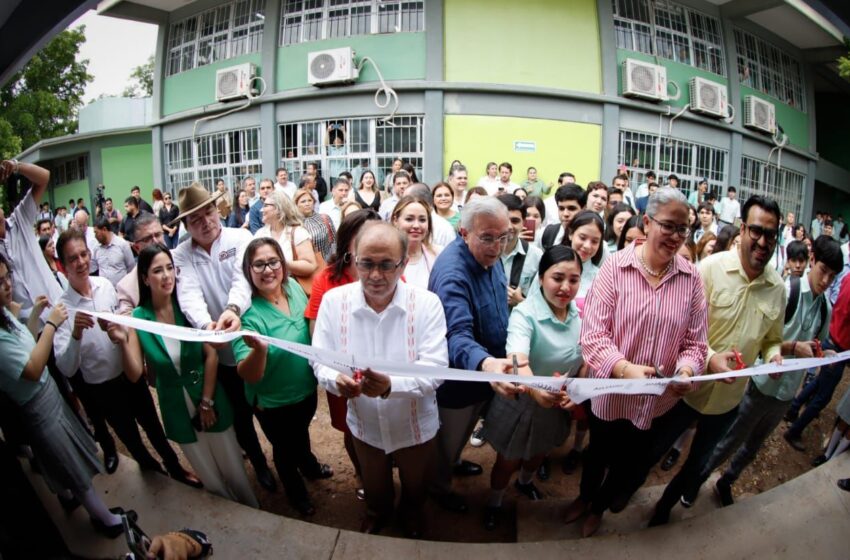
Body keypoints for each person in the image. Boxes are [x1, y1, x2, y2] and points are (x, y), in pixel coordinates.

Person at [566, 187, 707, 537]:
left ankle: (598, 507)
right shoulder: (615, 268)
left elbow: (696, 343)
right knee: (598, 452)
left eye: (682, 229)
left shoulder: (691, 279)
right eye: (668, 226)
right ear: (647, 222)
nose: (675, 237)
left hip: (657, 402)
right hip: (611, 393)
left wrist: (688, 370)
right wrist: (625, 369)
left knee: (627, 460)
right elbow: (593, 336)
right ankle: (584, 498)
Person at [648, 195, 785, 527]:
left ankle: (663, 508)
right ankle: (618, 496)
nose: (763, 241)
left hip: (728, 400)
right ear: (742, 228)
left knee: (696, 465)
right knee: (652, 450)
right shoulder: (708, 269)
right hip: (685, 387)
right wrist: (708, 359)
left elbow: (772, 338)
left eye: (771, 234)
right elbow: (678, 327)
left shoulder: (777, 289)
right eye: (756, 231)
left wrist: (775, 355)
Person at [312, 222, 448, 537]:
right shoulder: (334, 303)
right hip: (364, 424)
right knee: (374, 483)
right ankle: (377, 512)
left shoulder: (426, 304)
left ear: (403, 262)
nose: (375, 275)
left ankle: (412, 516)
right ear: (352, 258)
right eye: (367, 263)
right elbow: (321, 360)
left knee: (416, 485)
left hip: (414, 426)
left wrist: (391, 386)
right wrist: (336, 380)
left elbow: (436, 368)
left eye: (386, 265)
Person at [698, 236, 842, 506]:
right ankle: (695, 481)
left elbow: (816, 344)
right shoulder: (786, 291)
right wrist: (792, 347)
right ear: (812, 260)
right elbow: (760, 340)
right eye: (823, 271)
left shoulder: (825, 308)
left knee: (753, 445)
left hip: (785, 393)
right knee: (730, 439)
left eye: (833, 277)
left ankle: (726, 481)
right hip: (759, 383)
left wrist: (826, 354)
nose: (825, 281)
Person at [0, 254, 136, 538]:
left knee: (65, 462)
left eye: (6, 277)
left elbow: (24, 344)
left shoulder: (4, 316)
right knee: (71, 466)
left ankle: (70, 498)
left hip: (48, 398)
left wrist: (35, 314)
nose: (6, 286)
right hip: (38, 406)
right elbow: (33, 367)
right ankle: (106, 521)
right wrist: (51, 325)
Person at [53, 229, 200, 485]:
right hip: (101, 386)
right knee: (130, 437)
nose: (81, 262)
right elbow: (66, 367)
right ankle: (153, 473)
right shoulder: (63, 309)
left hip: (130, 375)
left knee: (153, 426)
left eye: (83, 254)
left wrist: (122, 334)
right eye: (72, 258)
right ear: (63, 266)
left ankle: (175, 468)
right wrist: (76, 334)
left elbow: (127, 326)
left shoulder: (105, 286)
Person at [119, 245, 258, 507]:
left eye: (170, 268)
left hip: (209, 396)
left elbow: (212, 354)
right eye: (157, 270)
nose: (166, 276)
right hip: (175, 406)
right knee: (207, 471)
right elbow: (135, 372)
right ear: (145, 278)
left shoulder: (187, 305)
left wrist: (207, 402)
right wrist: (121, 342)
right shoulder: (140, 318)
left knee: (232, 463)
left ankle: (252, 507)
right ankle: (228, 516)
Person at [170, 183, 276, 491]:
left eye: (209, 212)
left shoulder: (240, 238)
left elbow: (241, 280)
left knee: (268, 409)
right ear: (186, 226)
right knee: (242, 417)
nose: (205, 222)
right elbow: (187, 293)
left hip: (252, 340)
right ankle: (259, 464)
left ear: (219, 210)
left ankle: (297, 458)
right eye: (195, 219)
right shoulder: (181, 254)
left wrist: (231, 309)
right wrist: (206, 327)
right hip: (219, 350)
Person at [482, 246, 585, 530]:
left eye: (574, 279)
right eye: (557, 277)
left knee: (540, 451)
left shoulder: (580, 313)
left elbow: (585, 360)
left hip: (556, 400)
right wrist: (535, 388)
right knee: (508, 460)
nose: (565, 287)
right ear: (541, 278)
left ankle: (526, 483)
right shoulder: (524, 315)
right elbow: (517, 359)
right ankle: (494, 501)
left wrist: (575, 391)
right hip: (523, 399)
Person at [428, 197, 520, 513]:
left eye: (503, 236)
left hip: (487, 374)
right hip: (460, 383)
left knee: (462, 436)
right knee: (447, 439)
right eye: (488, 238)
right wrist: (487, 363)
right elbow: (456, 335)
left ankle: (453, 462)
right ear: (464, 233)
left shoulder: (493, 255)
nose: (497, 246)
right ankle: (439, 487)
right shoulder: (452, 273)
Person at [234, 238, 332, 516]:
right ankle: (296, 492)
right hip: (273, 402)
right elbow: (248, 373)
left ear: (283, 263)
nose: (268, 270)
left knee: (301, 434)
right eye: (259, 264)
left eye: (273, 261)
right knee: (284, 448)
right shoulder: (247, 314)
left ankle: (310, 466)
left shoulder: (294, 290)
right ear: (248, 270)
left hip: (306, 390)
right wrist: (260, 351)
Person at [305, 209, 381, 503]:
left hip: (381, 368)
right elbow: (316, 332)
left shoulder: (387, 270)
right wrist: (338, 371)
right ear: (347, 240)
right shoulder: (326, 278)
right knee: (352, 428)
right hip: (343, 372)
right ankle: (361, 473)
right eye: (361, 236)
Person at [784, 269, 850, 450]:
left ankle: (794, 407)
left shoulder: (847, 277)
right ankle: (794, 430)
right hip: (840, 345)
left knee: (820, 381)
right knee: (823, 396)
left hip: (834, 338)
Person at [0, 160, 64, 323]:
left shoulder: (20, 218)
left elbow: (44, 177)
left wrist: (15, 166)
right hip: (28, 327)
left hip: (58, 310)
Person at [255, 191, 318, 290]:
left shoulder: (298, 233)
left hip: (291, 291)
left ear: (279, 209)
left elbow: (311, 265)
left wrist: (281, 263)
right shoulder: (259, 234)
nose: (262, 210)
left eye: (266, 205)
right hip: (265, 292)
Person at [497, 194, 542, 307]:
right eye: (504, 220)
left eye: (515, 221)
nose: (509, 227)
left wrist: (520, 301)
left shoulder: (536, 256)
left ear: (524, 223)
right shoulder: (482, 254)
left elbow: (541, 303)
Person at [116, 214, 165, 315]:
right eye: (147, 239)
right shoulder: (126, 288)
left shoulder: (181, 265)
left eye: (158, 235)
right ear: (136, 248)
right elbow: (128, 326)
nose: (155, 242)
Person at [391, 195, 442, 289]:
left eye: (422, 220)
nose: (416, 225)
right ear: (395, 220)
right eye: (409, 219)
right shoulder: (383, 257)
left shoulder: (440, 255)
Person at [563, 210, 605, 314]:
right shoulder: (550, 268)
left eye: (594, 241)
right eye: (582, 238)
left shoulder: (603, 278)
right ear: (571, 234)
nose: (587, 246)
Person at [293, 188, 336, 263]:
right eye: (303, 201)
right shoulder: (293, 224)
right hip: (305, 267)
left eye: (310, 200)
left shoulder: (324, 218)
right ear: (296, 204)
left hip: (327, 264)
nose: (307, 204)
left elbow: (335, 242)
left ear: (314, 202)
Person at [92, 217, 135, 287]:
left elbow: (131, 268)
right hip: (104, 292)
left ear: (104, 229)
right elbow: (94, 269)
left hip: (121, 291)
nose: (95, 236)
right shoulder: (96, 249)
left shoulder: (122, 244)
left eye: (96, 232)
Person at [540, 185, 586, 251]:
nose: (565, 214)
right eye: (561, 208)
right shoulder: (545, 234)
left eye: (572, 208)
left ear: (583, 209)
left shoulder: (594, 240)